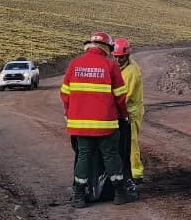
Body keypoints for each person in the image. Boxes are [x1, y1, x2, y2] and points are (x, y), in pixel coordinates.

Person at [61, 31, 135, 208]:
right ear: (106, 48)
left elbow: (65, 93)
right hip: (106, 124)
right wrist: (124, 115)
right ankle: (119, 193)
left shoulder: (74, 64)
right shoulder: (110, 66)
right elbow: (120, 96)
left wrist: (69, 112)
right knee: (111, 155)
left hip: (80, 125)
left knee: (84, 156)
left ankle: (79, 196)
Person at [112, 38, 146, 182]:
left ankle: (136, 173)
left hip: (131, 113)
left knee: (131, 143)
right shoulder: (122, 68)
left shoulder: (131, 71)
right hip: (123, 111)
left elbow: (125, 96)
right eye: (116, 57)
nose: (118, 60)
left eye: (121, 57)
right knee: (123, 143)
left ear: (127, 55)